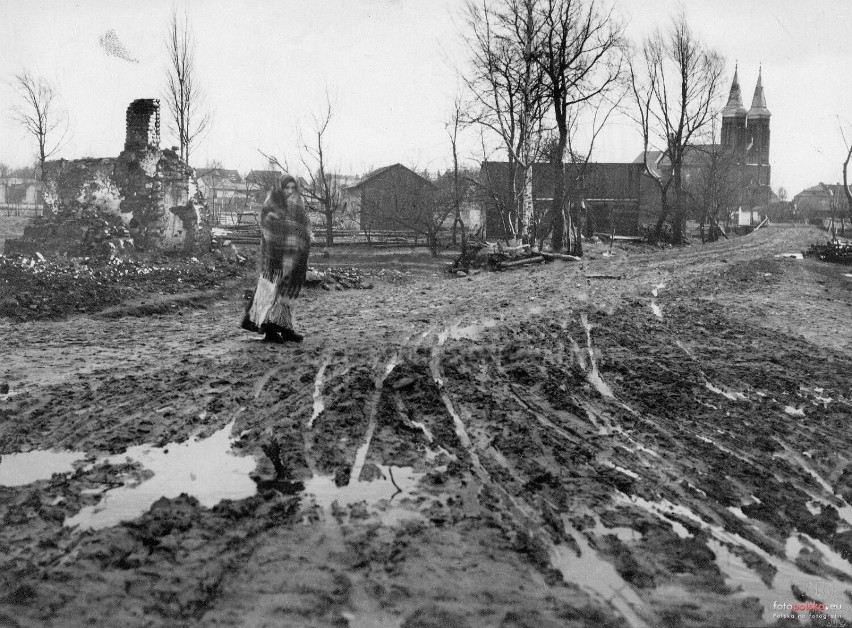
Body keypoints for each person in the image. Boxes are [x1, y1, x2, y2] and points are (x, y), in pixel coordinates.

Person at [241, 173, 311, 343]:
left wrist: (296, 231)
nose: (290, 191)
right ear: (280, 187)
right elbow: (270, 226)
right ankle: (269, 330)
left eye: (293, 188)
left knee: (286, 295)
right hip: (274, 256)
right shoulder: (271, 203)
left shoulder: (299, 204)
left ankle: (286, 328)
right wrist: (292, 227)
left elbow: (304, 228)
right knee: (270, 292)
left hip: (294, 257)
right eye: (287, 187)